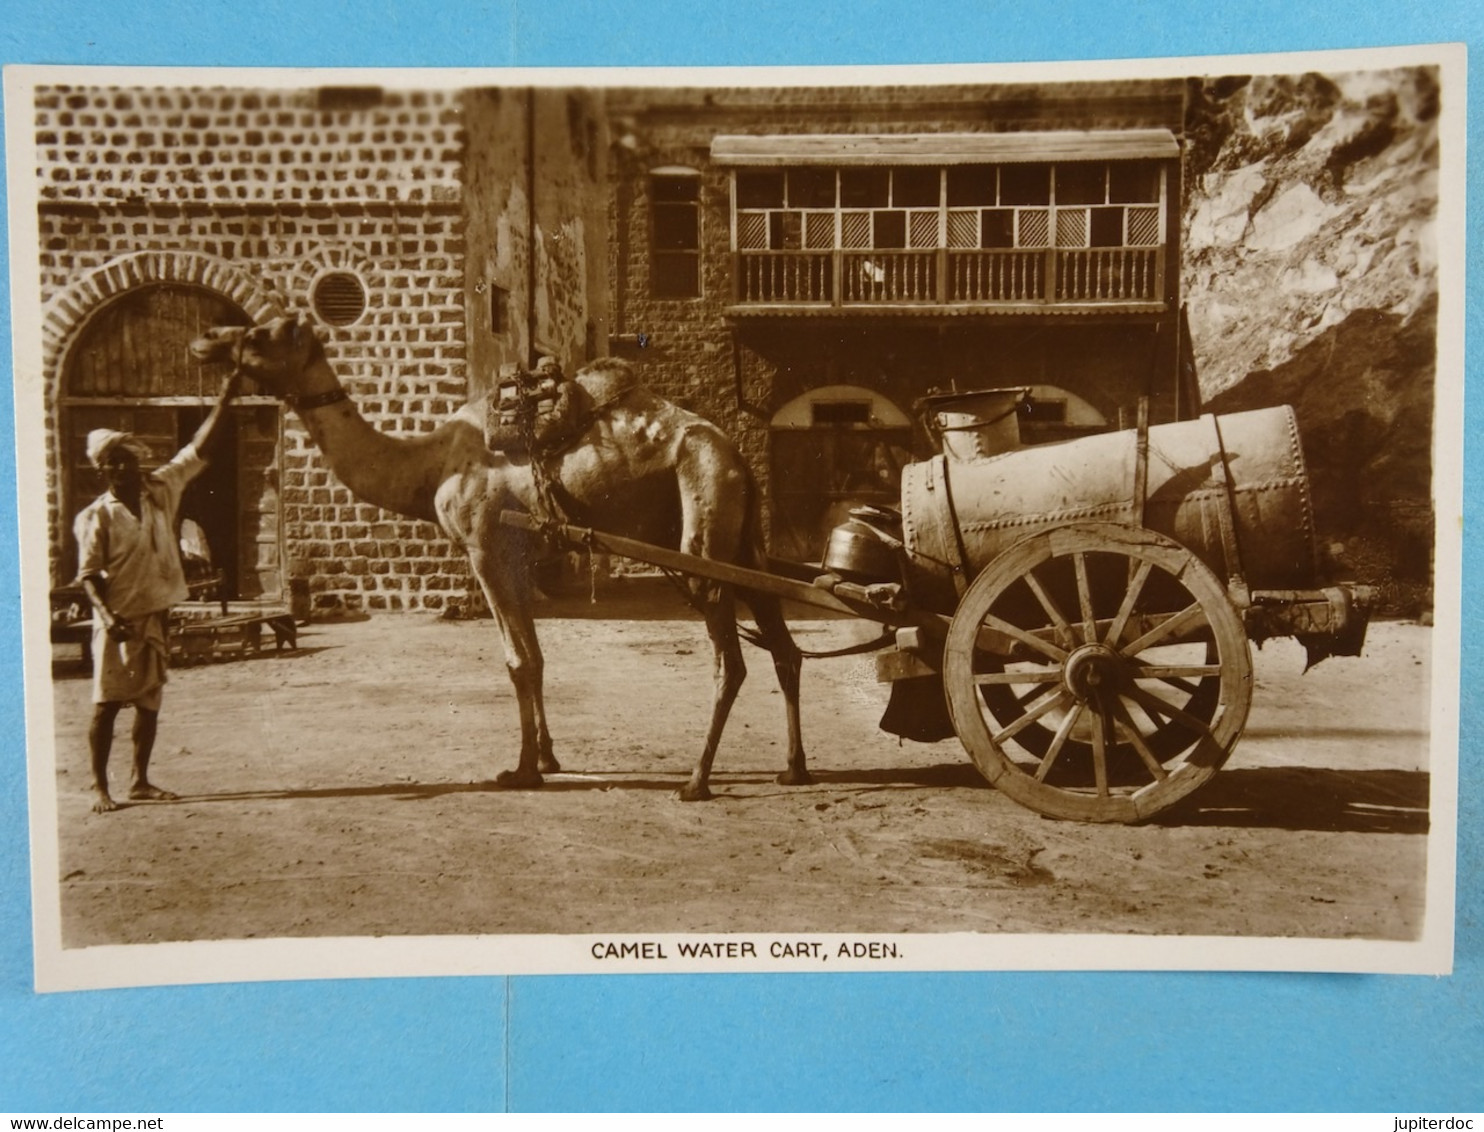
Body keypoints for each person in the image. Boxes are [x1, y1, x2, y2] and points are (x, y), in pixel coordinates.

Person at [74, 372, 241, 813]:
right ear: (103, 470)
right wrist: (108, 618)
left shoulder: (160, 491)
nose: (127, 467)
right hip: (118, 624)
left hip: (155, 618)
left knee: (148, 705)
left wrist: (226, 396)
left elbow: (198, 451)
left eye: (130, 459)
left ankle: (139, 781)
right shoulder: (96, 517)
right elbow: (88, 575)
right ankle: (99, 788)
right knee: (107, 706)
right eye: (117, 463)